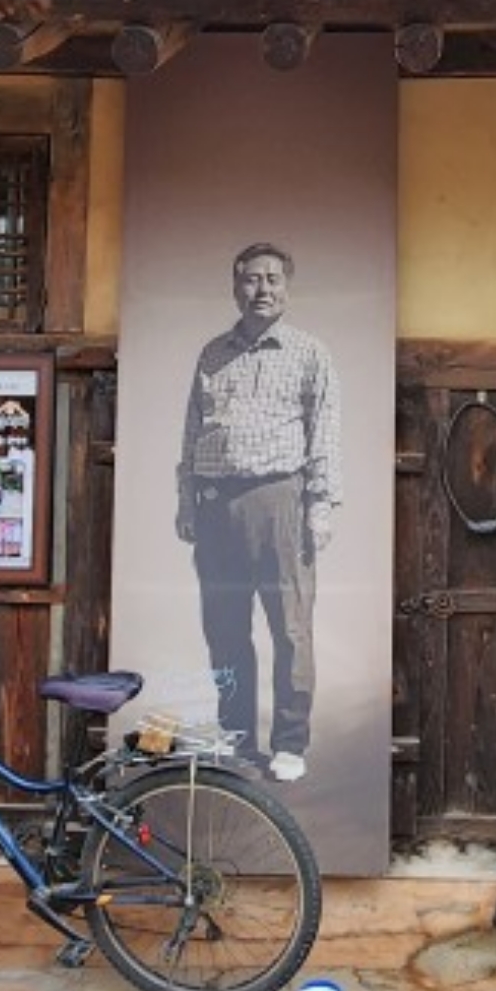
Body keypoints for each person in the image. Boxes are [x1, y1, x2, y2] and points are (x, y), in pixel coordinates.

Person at [176, 241, 341, 782]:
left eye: (272, 279)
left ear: (287, 289)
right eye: (250, 279)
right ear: (235, 287)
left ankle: (290, 742)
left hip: (280, 502)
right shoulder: (212, 354)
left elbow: (326, 436)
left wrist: (321, 506)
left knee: (290, 629)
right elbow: (192, 431)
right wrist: (187, 501)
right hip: (216, 504)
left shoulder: (309, 353)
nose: (261, 289)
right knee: (224, 630)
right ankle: (235, 737)